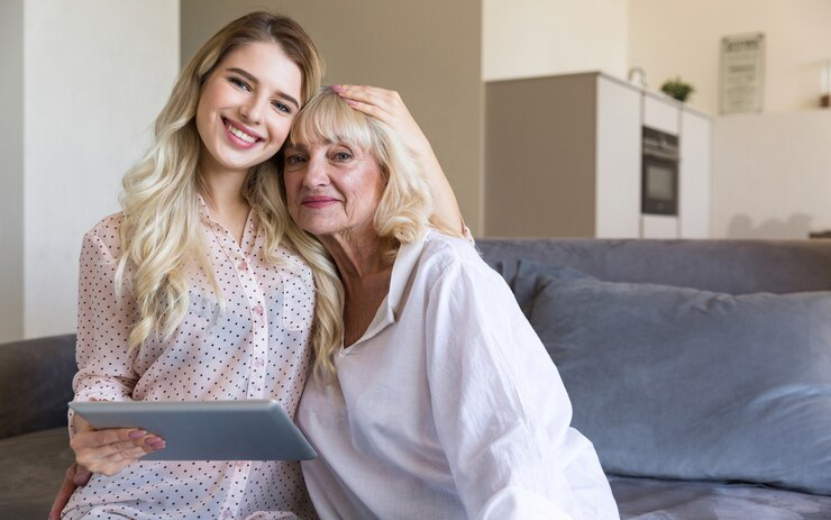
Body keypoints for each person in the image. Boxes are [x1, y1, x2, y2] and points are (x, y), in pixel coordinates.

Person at [51, 11, 463, 520]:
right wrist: (91, 438)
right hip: (141, 499)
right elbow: (101, 379)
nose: (252, 112)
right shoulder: (115, 239)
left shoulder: (314, 231)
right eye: (240, 82)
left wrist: (413, 140)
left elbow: (450, 257)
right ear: (202, 83)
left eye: (281, 103)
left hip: (272, 508)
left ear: (293, 124)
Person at [280, 88, 621, 519]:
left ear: (390, 172)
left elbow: (508, 450)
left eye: (341, 155)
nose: (312, 176)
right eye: (296, 158)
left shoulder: (445, 275)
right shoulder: (306, 291)